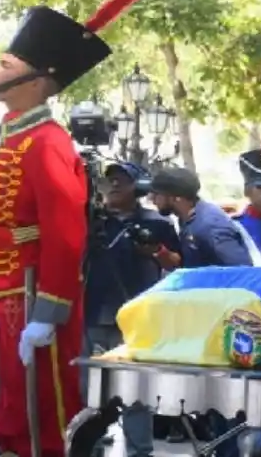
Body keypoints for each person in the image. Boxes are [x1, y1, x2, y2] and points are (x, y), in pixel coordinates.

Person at [0, 0, 153, 457]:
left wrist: (46, 313)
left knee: (45, 415)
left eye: (5, 64)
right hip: (14, 294)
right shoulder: (17, 138)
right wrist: (3, 309)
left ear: (36, 81)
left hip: (36, 293)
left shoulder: (47, 143)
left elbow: (64, 235)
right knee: (15, 410)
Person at [84, 161, 180, 457]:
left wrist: (156, 251)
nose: (114, 185)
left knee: (137, 392)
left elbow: (177, 264)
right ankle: (89, 447)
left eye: (122, 180)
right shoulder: (91, 221)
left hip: (138, 318)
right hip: (95, 315)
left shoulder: (157, 223)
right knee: (91, 390)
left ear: (137, 187)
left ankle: (140, 451)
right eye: (110, 180)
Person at [149, 167, 251, 268]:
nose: (151, 199)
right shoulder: (187, 218)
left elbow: (241, 271)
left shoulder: (210, 227)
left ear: (176, 198)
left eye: (156, 194)